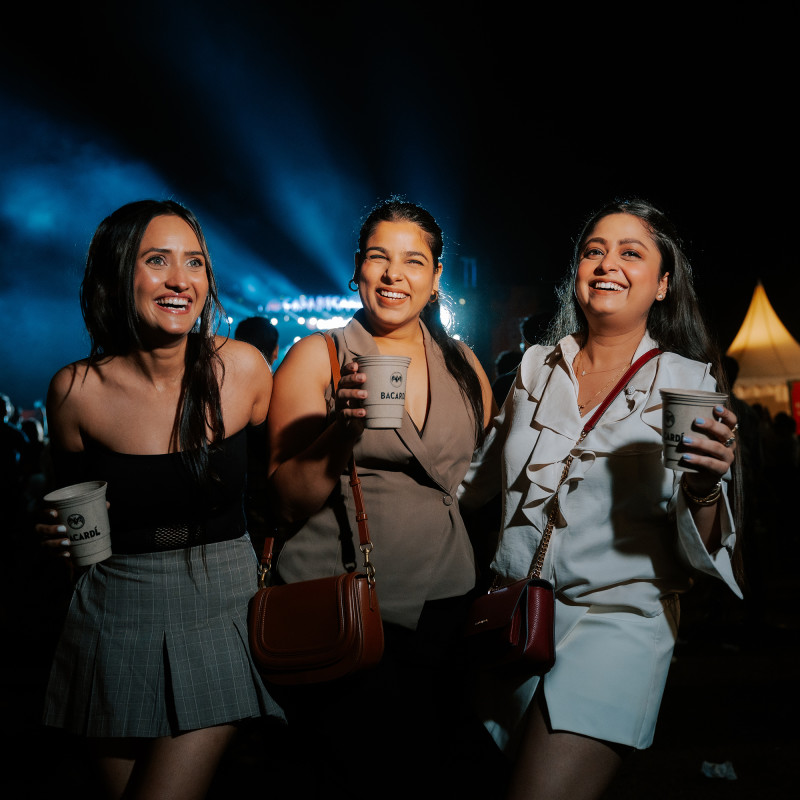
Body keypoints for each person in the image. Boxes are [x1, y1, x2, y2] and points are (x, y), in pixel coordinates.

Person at [460, 198, 743, 800]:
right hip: (519, 619)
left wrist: (703, 486)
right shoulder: (536, 368)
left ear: (662, 285)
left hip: (619, 625)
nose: (608, 263)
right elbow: (471, 485)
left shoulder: (687, 383)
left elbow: (701, 545)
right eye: (594, 251)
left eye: (631, 253)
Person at [36, 199, 283, 800]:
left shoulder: (243, 369)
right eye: (157, 260)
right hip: (110, 612)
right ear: (118, 273)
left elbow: (290, 486)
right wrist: (54, 536)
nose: (180, 280)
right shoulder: (74, 392)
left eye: (194, 262)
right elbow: (66, 508)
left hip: (221, 605)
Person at [265, 197, 498, 796]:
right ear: (357, 269)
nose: (395, 274)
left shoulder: (463, 364)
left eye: (414, 261)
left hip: (445, 605)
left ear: (436, 277)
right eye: (378, 257)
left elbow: (478, 483)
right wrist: (342, 431)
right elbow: (284, 503)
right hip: (350, 606)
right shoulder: (318, 356)